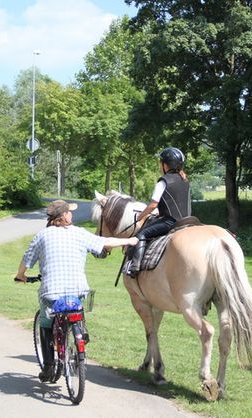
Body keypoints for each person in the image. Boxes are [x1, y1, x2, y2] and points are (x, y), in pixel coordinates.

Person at [15, 199, 138, 382]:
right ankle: (80, 332)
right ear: (63, 216)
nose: (71, 214)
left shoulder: (42, 236)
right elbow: (105, 242)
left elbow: (26, 260)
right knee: (76, 308)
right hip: (77, 290)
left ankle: (48, 366)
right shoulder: (79, 234)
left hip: (52, 292)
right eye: (69, 212)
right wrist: (129, 239)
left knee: (45, 322)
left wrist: (21, 275)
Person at [124, 147, 192, 278]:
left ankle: (135, 266)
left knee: (142, 233)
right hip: (188, 220)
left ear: (165, 164)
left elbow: (153, 205)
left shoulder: (163, 181)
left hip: (170, 222)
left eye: (161, 163)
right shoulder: (185, 180)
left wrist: (140, 216)